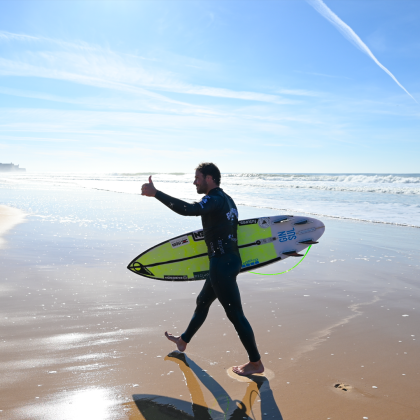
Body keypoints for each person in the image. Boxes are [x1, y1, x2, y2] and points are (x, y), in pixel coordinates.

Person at [141, 162, 264, 376]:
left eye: (197, 178)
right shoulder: (228, 200)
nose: (194, 182)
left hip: (221, 263)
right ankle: (183, 340)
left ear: (209, 178)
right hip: (231, 260)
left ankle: (255, 363)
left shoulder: (214, 199)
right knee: (203, 302)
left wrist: (156, 194)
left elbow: (190, 209)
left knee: (235, 315)